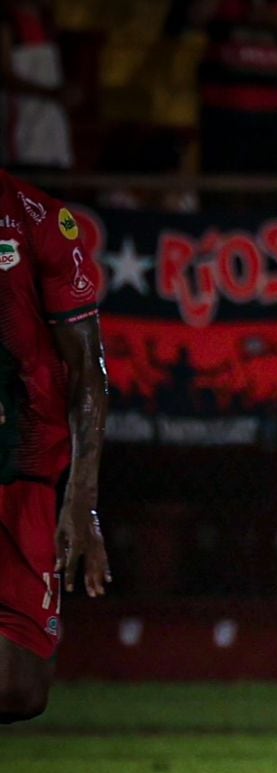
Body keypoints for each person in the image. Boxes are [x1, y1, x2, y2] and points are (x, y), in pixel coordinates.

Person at [0, 169, 109, 722]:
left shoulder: (36, 219)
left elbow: (88, 369)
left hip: (22, 475)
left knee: (21, 691)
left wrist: (81, 500)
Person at [172, 0, 277, 179]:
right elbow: (194, 18)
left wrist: (275, 21)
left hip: (274, 110)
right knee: (219, 192)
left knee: (268, 194)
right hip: (221, 107)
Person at [0, 0, 73, 170]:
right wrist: (50, 93)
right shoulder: (7, 22)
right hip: (21, 136)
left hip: (52, 135)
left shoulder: (46, 22)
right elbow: (5, 76)